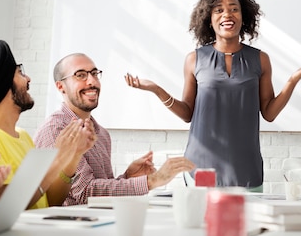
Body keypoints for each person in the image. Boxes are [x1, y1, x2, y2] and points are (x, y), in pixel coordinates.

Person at [125, 0, 301, 190]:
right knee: (203, 221)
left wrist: (294, 79)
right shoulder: (194, 59)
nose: (227, 14)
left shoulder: (260, 60)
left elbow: (269, 113)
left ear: (243, 17)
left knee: (245, 222)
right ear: (209, 20)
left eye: (233, 9)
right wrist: (157, 89)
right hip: (201, 167)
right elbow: (187, 114)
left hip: (245, 169)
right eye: (219, 10)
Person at [35, 53, 195, 206]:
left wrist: (128, 177)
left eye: (94, 73)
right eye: (80, 75)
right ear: (60, 86)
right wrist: (153, 181)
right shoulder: (55, 129)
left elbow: (101, 193)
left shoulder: (102, 134)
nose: (92, 81)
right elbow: (85, 193)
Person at [0, 40, 96, 211]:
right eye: (20, 72)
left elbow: (49, 202)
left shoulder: (23, 136)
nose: (28, 78)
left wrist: (73, 156)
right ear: (3, 83)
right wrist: (59, 157)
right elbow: (9, 207)